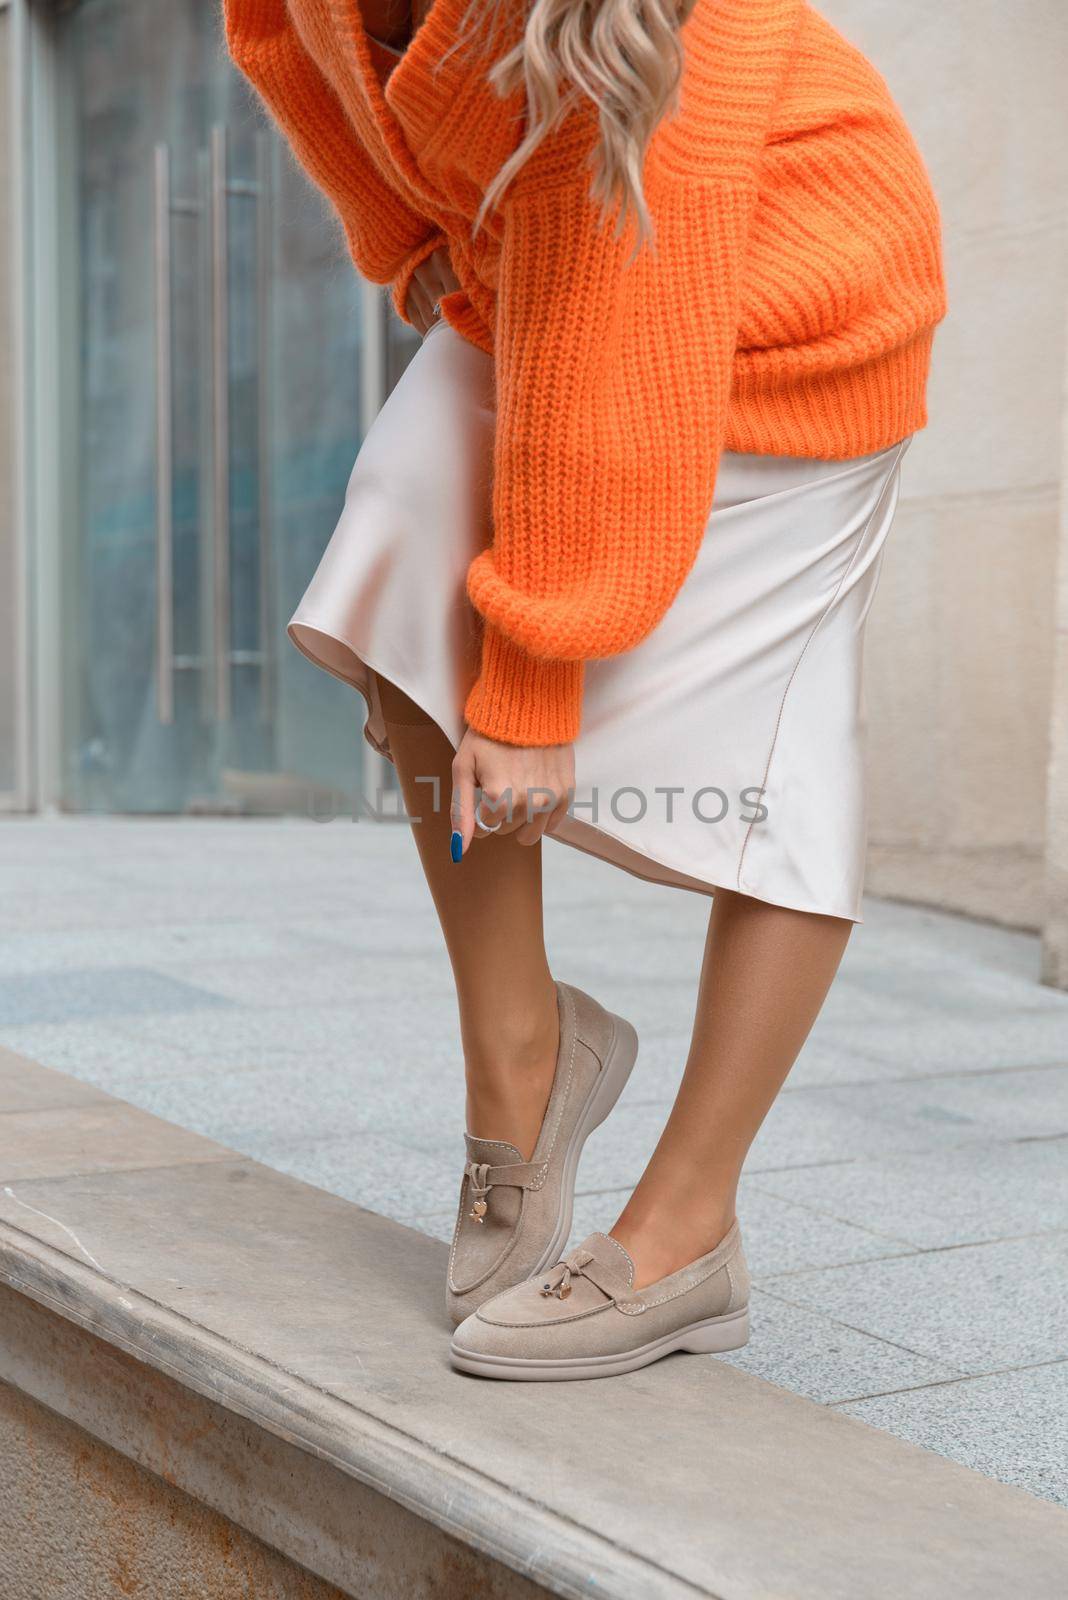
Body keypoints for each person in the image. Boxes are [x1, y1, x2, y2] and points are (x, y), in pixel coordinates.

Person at [225, 0, 946, 1381]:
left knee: (776, 770)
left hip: (797, 287)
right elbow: (277, 34)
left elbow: (608, 332)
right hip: (559, 253)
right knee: (398, 532)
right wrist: (413, 236)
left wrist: (532, 684)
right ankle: (525, 1061)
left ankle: (689, 1234)